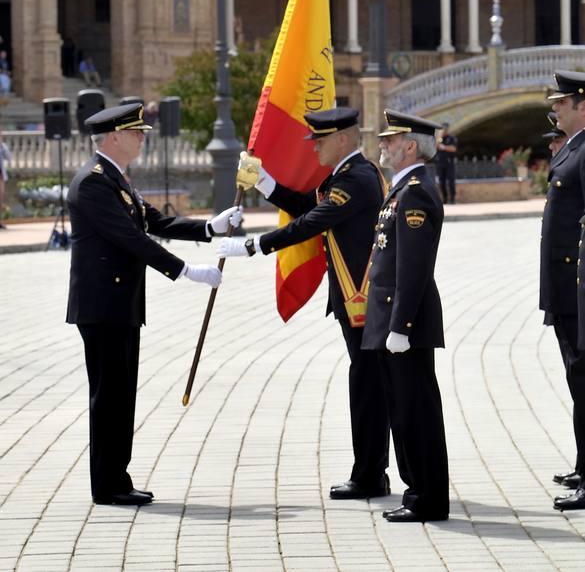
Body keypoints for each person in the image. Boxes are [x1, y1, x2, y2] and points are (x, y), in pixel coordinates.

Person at [66, 102, 242, 507]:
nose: (143, 138)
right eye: (136, 132)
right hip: (102, 306)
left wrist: (208, 227)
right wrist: (186, 272)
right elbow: (132, 239)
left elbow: (155, 222)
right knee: (109, 395)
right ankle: (107, 485)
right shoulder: (93, 183)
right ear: (113, 137)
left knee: (122, 393)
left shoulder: (116, 179)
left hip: (121, 304)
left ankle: (117, 477)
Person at [218, 107, 391, 500]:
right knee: (367, 384)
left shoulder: (356, 179)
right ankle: (371, 471)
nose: (314, 147)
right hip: (355, 300)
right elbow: (311, 210)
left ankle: (369, 475)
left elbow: (313, 222)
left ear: (344, 139)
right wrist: (263, 182)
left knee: (367, 387)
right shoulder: (348, 175)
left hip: (361, 299)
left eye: (321, 140)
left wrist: (253, 245)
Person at [362, 109, 449, 523]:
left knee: (416, 412)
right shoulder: (402, 189)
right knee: (403, 410)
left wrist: (401, 326)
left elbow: (413, 267)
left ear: (411, 146)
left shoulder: (415, 192)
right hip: (390, 320)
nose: (384, 144)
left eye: (391, 139)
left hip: (403, 324)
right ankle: (418, 491)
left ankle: (427, 497)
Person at [538, 72, 585, 512]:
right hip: (565, 291)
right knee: (578, 380)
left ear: (582, 105)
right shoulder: (573, 149)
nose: (555, 109)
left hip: (579, 293)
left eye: (563, 103)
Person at [435, 121, 457, 204]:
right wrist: (439, 138)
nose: (444, 131)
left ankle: (452, 198)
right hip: (440, 163)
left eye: (445, 129)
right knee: (441, 182)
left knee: (451, 181)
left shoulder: (451, 138)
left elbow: (453, 149)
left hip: (449, 163)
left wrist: (443, 147)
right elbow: (435, 147)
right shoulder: (438, 139)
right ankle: (445, 198)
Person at [0, 135, 10, 229]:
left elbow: (9, 157)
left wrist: (2, 146)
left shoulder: (2, 146)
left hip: (1, 176)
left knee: (0, 199)